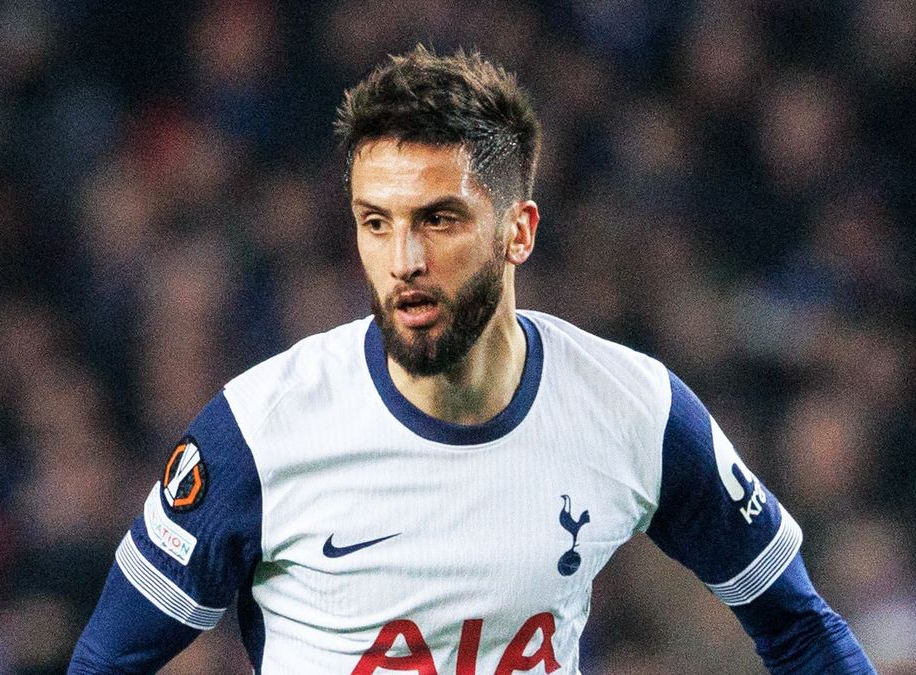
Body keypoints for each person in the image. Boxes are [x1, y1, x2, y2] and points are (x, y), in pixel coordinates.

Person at [69, 46, 875, 674]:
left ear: (518, 230)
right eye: (375, 222)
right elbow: (106, 660)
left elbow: (802, 630)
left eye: (440, 219)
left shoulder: (633, 408)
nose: (404, 258)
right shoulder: (260, 429)